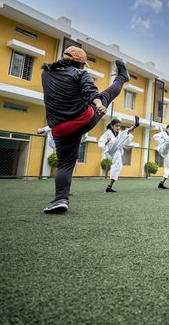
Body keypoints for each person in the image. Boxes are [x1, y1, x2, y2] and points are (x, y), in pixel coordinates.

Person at [41, 45, 130, 214]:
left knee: (64, 164)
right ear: (81, 64)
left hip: (59, 128)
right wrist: (98, 104)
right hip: (83, 120)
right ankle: (122, 77)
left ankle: (60, 199)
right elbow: (91, 91)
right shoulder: (81, 73)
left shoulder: (45, 74)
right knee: (107, 95)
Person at [98, 117, 139, 192]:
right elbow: (100, 143)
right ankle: (134, 126)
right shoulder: (107, 133)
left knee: (118, 165)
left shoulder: (120, 133)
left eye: (119, 126)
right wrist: (106, 142)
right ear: (112, 126)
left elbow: (124, 137)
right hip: (110, 148)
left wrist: (129, 131)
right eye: (116, 126)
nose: (118, 127)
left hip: (116, 150)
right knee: (122, 135)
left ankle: (109, 186)